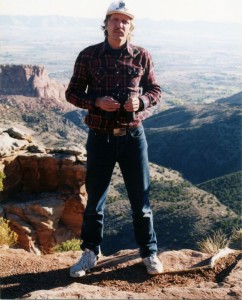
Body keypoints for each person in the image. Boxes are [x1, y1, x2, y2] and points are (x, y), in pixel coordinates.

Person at [65, 0, 163, 277]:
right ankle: (90, 254)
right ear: (106, 24)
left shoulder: (141, 55)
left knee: (140, 202)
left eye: (125, 21)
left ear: (131, 26)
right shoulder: (88, 56)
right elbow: (71, 93)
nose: (119, 25)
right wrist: (96, 101)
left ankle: (149, 253)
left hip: (133, 137)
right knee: (95, 200)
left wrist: (141, 102)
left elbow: (155, 89)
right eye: (114, 20)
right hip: (100, 137)